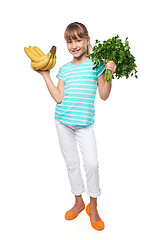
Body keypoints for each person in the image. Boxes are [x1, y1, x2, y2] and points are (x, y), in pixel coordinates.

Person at [32, 22, 116, 231]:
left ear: (87, 40)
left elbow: (104, 95)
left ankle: (93, 207)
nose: (74, 45)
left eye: (78, 40)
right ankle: (79, 201)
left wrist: (109, 74)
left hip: (84, 125)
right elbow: (59, 98)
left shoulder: (96, 64)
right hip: (63, 122)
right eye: (70, 41)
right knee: (72, 164)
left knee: (91, 165)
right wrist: (45, 75)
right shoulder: (64, 69)